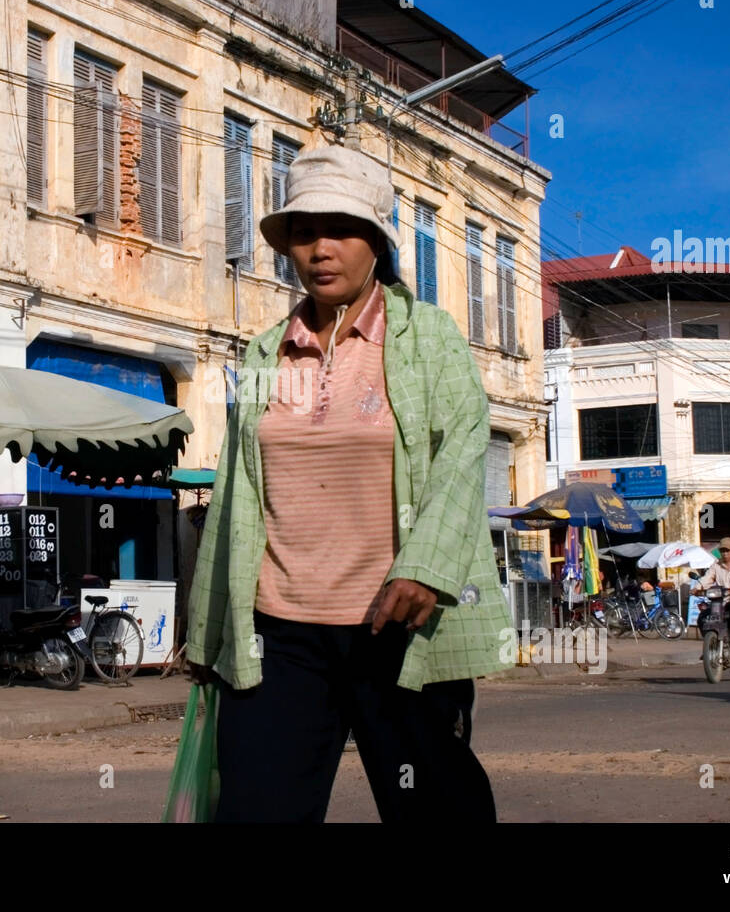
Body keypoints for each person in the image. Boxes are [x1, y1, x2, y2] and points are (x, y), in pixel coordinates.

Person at [185, 145, 510, 823]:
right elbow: (240, 491)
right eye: (304, 233)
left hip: (397, 628)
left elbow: (462, 451)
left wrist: (426, 567)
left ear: (376, 242)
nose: (320, 248)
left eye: (340, 229)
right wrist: (210, 630)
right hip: (280, 634)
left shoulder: (428, 339)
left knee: (436, 810)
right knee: (255, 811)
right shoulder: (266, 350)